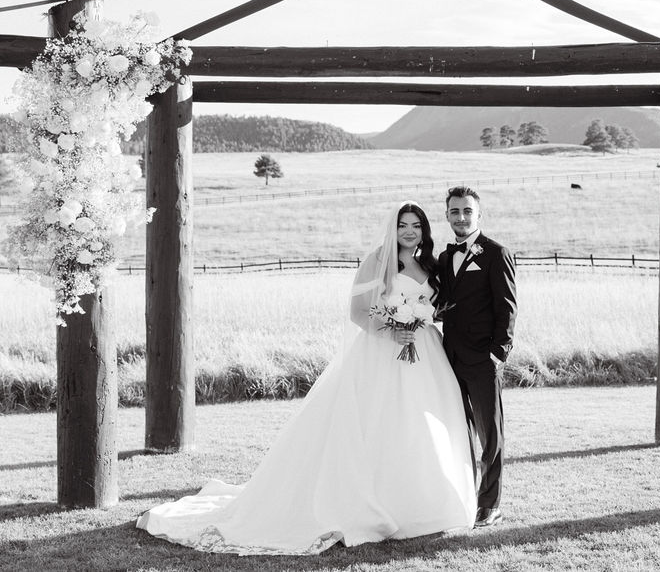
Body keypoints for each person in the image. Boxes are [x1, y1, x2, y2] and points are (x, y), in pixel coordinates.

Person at [136, 202, 476, 555]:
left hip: (424, 358)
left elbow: (436, 308)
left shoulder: (431, 265)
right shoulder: (378, 261)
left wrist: (419, 321)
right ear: (394, 229)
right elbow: (357, 312)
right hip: (382, 353)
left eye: (416, 226)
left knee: (421, 428)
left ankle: (423, 503)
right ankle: (374, 503)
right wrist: (392, 331)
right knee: (379, 424)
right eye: (403, 225)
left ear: (424, 230)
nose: (409, 231)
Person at [438, 186, 517, 528]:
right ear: (447, 216)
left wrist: (498, 353)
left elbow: (508, 308)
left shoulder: (496, 253)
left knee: (490, 433)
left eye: (467, 211)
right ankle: (464, 495)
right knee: (458, 430)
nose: (461, 217)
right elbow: (444, 304)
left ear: (478, 215)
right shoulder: (444, 257)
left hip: (483, 359)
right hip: (449, 357)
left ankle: (490, 504)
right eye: (455, 211)